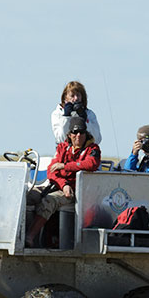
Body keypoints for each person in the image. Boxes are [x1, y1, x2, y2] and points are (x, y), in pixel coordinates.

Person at [26, 116, 101, 247]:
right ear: (69, 134)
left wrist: (65, 166)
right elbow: (51, 171)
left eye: (81, 132)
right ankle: (16, 234)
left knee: (49, 200)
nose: (78, 136)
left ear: (86, 133)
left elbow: (91, 164)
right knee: (27, 196)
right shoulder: (62, 148)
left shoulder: (93, 149)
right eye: (74, 132)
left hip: (76, 191)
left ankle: (30, 237)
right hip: (59, 186)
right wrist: (64, 184)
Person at [51, 81, 102, 145]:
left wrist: (84, 120)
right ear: (65, 98)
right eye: (72, 96)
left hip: (86, 151)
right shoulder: (57, 114)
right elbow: (61, 138)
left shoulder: (89, 114)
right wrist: (66, 117)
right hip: (66, 152)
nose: (76, 98)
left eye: (78, 95)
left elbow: (96, 139)